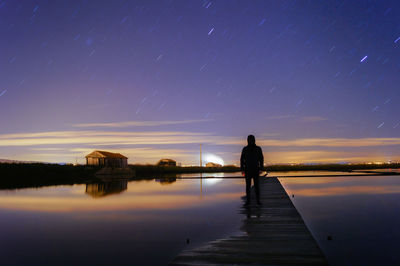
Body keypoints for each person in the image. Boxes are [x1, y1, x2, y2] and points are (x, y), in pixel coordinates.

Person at [240, 135, 264, 206]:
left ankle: (258, 201)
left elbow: (261, 159)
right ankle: (248, 202)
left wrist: (261, 168)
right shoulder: (245, 149)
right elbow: (242, 159)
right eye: (249, 139)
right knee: (248, 186)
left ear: (254, 140)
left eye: (251, 139)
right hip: (247, 170)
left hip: (256, 170)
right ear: (247, 140)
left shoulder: (258, 148)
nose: (250, 141)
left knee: (256, 186)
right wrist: (242, 169)